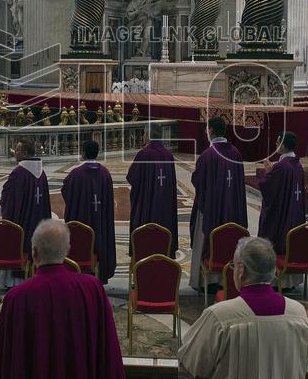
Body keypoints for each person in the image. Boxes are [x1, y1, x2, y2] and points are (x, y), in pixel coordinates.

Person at [0, 219, 130, 379]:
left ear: (34, 253)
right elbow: (108, 353)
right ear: (67, 250)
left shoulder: (16, 298)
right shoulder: (92, 290)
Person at [178, 237, 308, 379]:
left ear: (241, 271)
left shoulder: (220, 316)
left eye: (233, 265)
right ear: (273, 270)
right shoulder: (298, 314)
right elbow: (304, 364)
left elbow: (191, 369)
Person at [190, 117, 247, 292]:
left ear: (211, 131)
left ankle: (205, 281)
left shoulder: (208, 155)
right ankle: (227, 280)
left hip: (211, 209)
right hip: (232, 208)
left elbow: (198, 180)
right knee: (229, 237)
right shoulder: (235, 152)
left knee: (207, 239)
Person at [61, 140, 116, 284]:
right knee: (99, 242)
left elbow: (65, 191)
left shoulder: (76, 174)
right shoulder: (105, 174)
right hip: (100, 221)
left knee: (80, 242)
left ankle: (76, 274)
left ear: (83, 153)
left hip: (81, 217)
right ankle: (99, 276)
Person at [0, 140, 52, 285]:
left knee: (20, 243)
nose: (15, 152)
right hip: (39, 219)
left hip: (22, 221)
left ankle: (16, 281)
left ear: (25, 153)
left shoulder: (19, 173)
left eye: (17, 150)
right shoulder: (42, 173)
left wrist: (4, 204)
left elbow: (9, 199)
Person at [126, 122, 179, 258]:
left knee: (145, 233)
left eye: (144, 133)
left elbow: (132, 177)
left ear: (148, 135)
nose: (143, 136)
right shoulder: (168, 156)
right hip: (165, 207)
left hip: (147, 206)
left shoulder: (144, 154)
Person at [257, 131, 305, 257]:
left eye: (278, 142)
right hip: (293, 211)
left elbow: (267, 188)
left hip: (280, 214)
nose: (276, 144)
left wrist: (268, 173)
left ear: (283, 146)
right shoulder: (297, 164)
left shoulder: (282, 166)